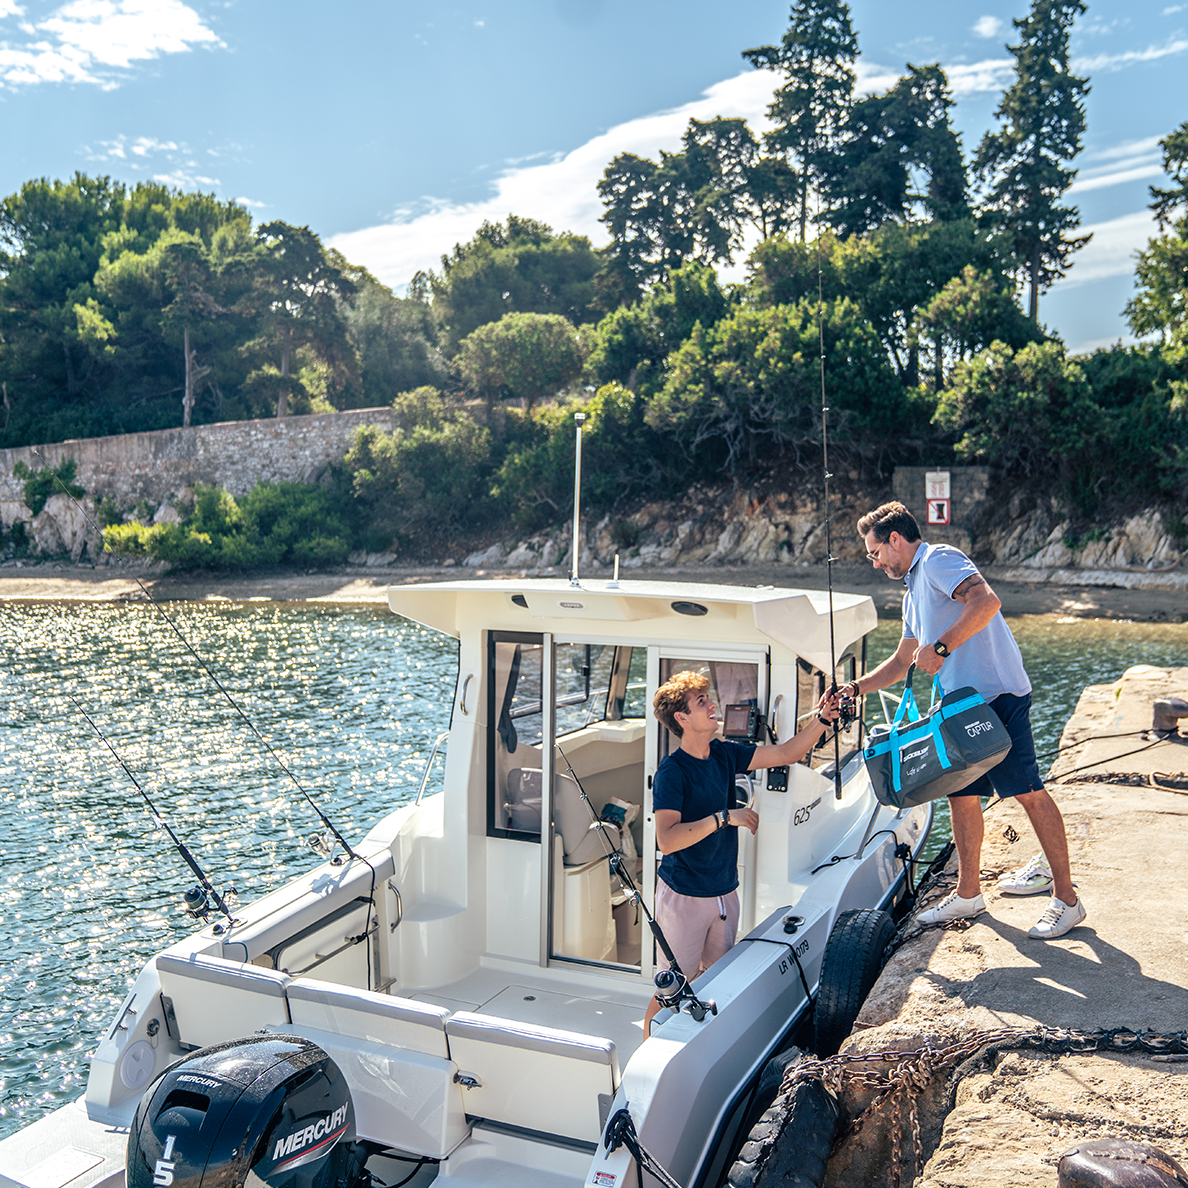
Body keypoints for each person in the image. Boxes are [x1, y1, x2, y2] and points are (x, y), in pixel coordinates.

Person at [835, 500, 1086, 940]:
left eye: (875, 553)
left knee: (1028, 792)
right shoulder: (914, 589)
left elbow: (986, 601)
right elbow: (901, 661)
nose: (874, 563)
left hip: (998, 695)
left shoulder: (938, 560)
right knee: (962, 796)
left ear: (895, 540)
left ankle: (1067, 899)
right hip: (961, 705)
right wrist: (854, 688)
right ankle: (969, 892)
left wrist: (943, 647)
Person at [644, 670, 838, 1035]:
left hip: (724, 892)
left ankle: (700, 1046)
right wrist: (723, 817)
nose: (712, 703)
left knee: (717, 981)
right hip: (684, 897)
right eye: (701, 701)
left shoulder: (723, 754)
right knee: (673, 988)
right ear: (682, 718)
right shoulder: (672, 772)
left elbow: (786, 752)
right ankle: (645, 1056)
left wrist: (823, 719)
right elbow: (666, 840)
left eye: (708, 697)